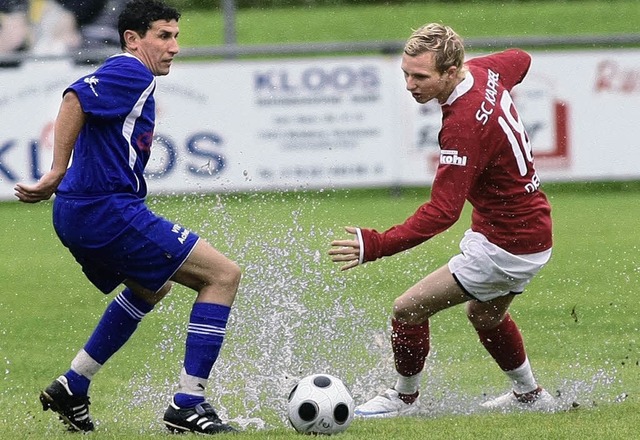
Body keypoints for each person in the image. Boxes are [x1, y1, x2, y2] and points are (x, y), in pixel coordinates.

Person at [14, 0, 241, 434]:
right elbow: (74, 98)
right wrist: (57, 171)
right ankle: (189, 402)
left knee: (152, 287)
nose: (173, 46)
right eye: (163, 35)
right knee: (222, 276)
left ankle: (73, 384)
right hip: (106, 209)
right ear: (133, 39)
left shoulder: (132, 74)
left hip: (80, 212)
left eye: (176, 36)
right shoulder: (131, 70)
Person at [329, 23, 556, 418]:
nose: (410, 85)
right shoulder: (484, 73)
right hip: (529, 231)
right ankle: (531, 396)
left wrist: (376, 244)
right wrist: (483, 74)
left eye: (421, 76)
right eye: (406, 73)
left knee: (408, 309)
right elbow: (521, 58)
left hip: (506, 245)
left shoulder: (463, 126)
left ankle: (403, 398)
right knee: (485, 314)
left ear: (452, 72)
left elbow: (442, 213)